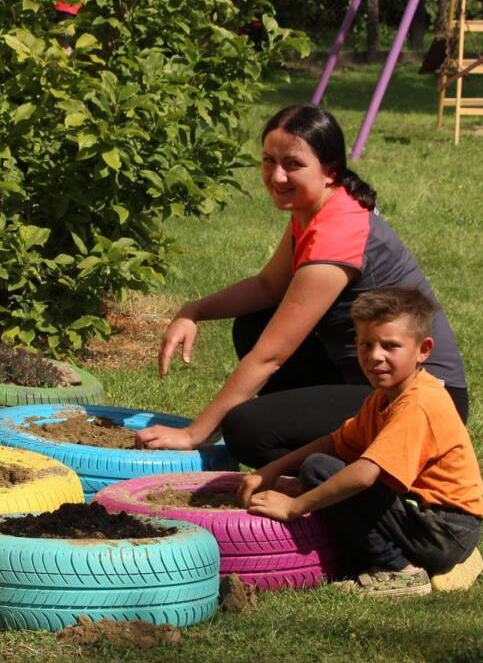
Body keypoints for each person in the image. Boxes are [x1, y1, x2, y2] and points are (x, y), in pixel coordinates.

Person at [136, 105, 468, 467]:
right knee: (255, 320)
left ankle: (347, 481)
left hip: (422, 402)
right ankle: (335, 458)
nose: (277, 176)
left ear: (330, 171)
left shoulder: (337, 230)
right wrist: (193, 310)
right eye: (268, 160)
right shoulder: (315, 210)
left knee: (247, 429)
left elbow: (271, 355)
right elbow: (267, 287)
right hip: (370, 379)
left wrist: (193, 434)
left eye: (293, 164)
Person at [238, 287, 482, 597]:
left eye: (390, 346)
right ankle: (379, 559)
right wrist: (272, 469)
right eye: (366, 344)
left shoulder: (419, 403)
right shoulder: (382, 398)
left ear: (423, 350)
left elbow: (365, 474)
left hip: (443, 529)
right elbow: (334, 443)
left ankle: (397, 569)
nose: (375, 356)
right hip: (434, 523)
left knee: (322, 472)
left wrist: (294, 507)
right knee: (320, 468)